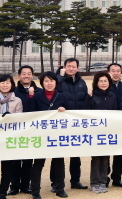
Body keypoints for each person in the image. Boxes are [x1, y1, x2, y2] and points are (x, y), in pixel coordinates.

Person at [30, 71, 69, 199]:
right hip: (41, 135)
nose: (49, 83)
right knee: (38, 164)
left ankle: (60, 188)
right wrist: (29, 97)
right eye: (46, 81)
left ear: (56, 82)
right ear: (42, 83)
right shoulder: (36, 96)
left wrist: (64, 111)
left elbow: (69, 114)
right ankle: (35, 190)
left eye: (52, 80)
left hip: (56, 136)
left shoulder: (61, 96)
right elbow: (30, 113)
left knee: (59, 163)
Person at [55, 58, 88, 190]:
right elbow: (54, 92)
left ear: (77, 68)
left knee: (76, 154)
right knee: (58, 155)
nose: (71, 69)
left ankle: (75, 181)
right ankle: (56, 183)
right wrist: (60, 77)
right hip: (61, 122)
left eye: (74, 67)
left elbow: (85, 99)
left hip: (76, 122)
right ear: (64, 67)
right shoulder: (59, 80)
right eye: (69, 66)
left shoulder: (82, 82)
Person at [9, 66, 42, 196]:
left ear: (32, 75)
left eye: (29, 73)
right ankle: (14, 186)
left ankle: (26, 185)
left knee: (28, 160)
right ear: (19, 76)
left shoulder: (39, 91)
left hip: (32, 130)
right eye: (24, 74)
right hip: (16, 131)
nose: (26, 76)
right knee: (15, 160)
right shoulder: (14, 91)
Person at [83, 72, 118, 194]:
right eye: (101, 81)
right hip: (95, 132)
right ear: (96, 83)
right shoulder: (92, 95)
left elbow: (116, 112)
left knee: (105, 158)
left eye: (105, 81)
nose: (103, 83)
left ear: (109, 82)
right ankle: (94, 183)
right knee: (96, 158)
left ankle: (103, 182)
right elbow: (86, 112)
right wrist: (88, 97)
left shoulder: (112, 95)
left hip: (108, 132)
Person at [0, 75, 23, 199]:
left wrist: (11, 117)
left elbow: (20, 117)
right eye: (2, 82)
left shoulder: (17, 100)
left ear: (12, 84)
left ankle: (2, 191)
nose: (5, 85)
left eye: (7, 82)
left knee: (7, 167)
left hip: (9, 138)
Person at [106, 63, 122, 188]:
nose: (115, 73)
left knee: (120, 153)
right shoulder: (103, 86)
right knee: (106, 152)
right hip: (107, 125)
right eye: (113, 71)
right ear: (108, 72)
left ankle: (117, 177)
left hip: (121, 124)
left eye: (118, 71)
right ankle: (105, 176)